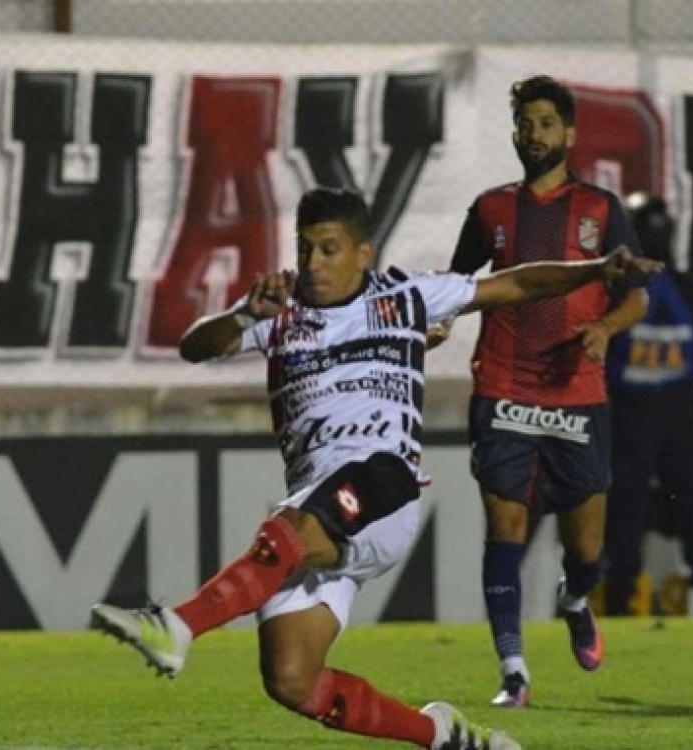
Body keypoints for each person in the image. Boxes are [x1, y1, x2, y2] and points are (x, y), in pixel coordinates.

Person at [90, 187, 660, 750]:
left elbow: (518, 284)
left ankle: (178, 627)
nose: (314, 263)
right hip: (317, 505)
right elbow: (195, 346)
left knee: (285, 532)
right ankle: (443, 735)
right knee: (292, 680)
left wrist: (597, 270)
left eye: (329, 249)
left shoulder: (407, 298)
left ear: (363, 252)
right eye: (305, 248)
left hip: (383, 485)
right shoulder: (280, 312)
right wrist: (243, 315)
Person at [443, 74, 648, 708]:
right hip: (503, 385)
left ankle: (576, 597)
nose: (534, 133)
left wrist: (606, 329)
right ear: (515, 133)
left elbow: (637, 296)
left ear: (570, 134)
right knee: (505, 525)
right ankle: (513, 672)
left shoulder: (601, 209)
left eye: (546, 123)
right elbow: (455, 284)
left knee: (587, 550)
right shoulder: (490, 209)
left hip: (576, 393)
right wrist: (435, 323)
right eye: (526, 123)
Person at [602, 193, 693, 617]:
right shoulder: (690, 292)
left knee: (625, 511)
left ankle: (620, 602)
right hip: (680, 415)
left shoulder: (615, 294)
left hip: (628, 417)